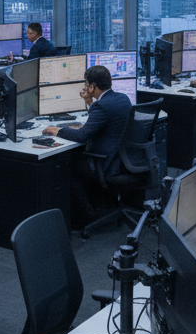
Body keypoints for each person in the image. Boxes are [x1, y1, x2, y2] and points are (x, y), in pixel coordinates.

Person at [43, 65, 133, 227]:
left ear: (93, 86)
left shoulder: (102, 106)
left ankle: (87, 213)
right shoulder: (122, 98)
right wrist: (89, 102)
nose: (85, 87)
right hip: (122, 161)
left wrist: (56, 130)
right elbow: (101, 120)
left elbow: (82, 135)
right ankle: (100, 205)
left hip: (106, 164)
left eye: (86, 84)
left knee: (69, 168)